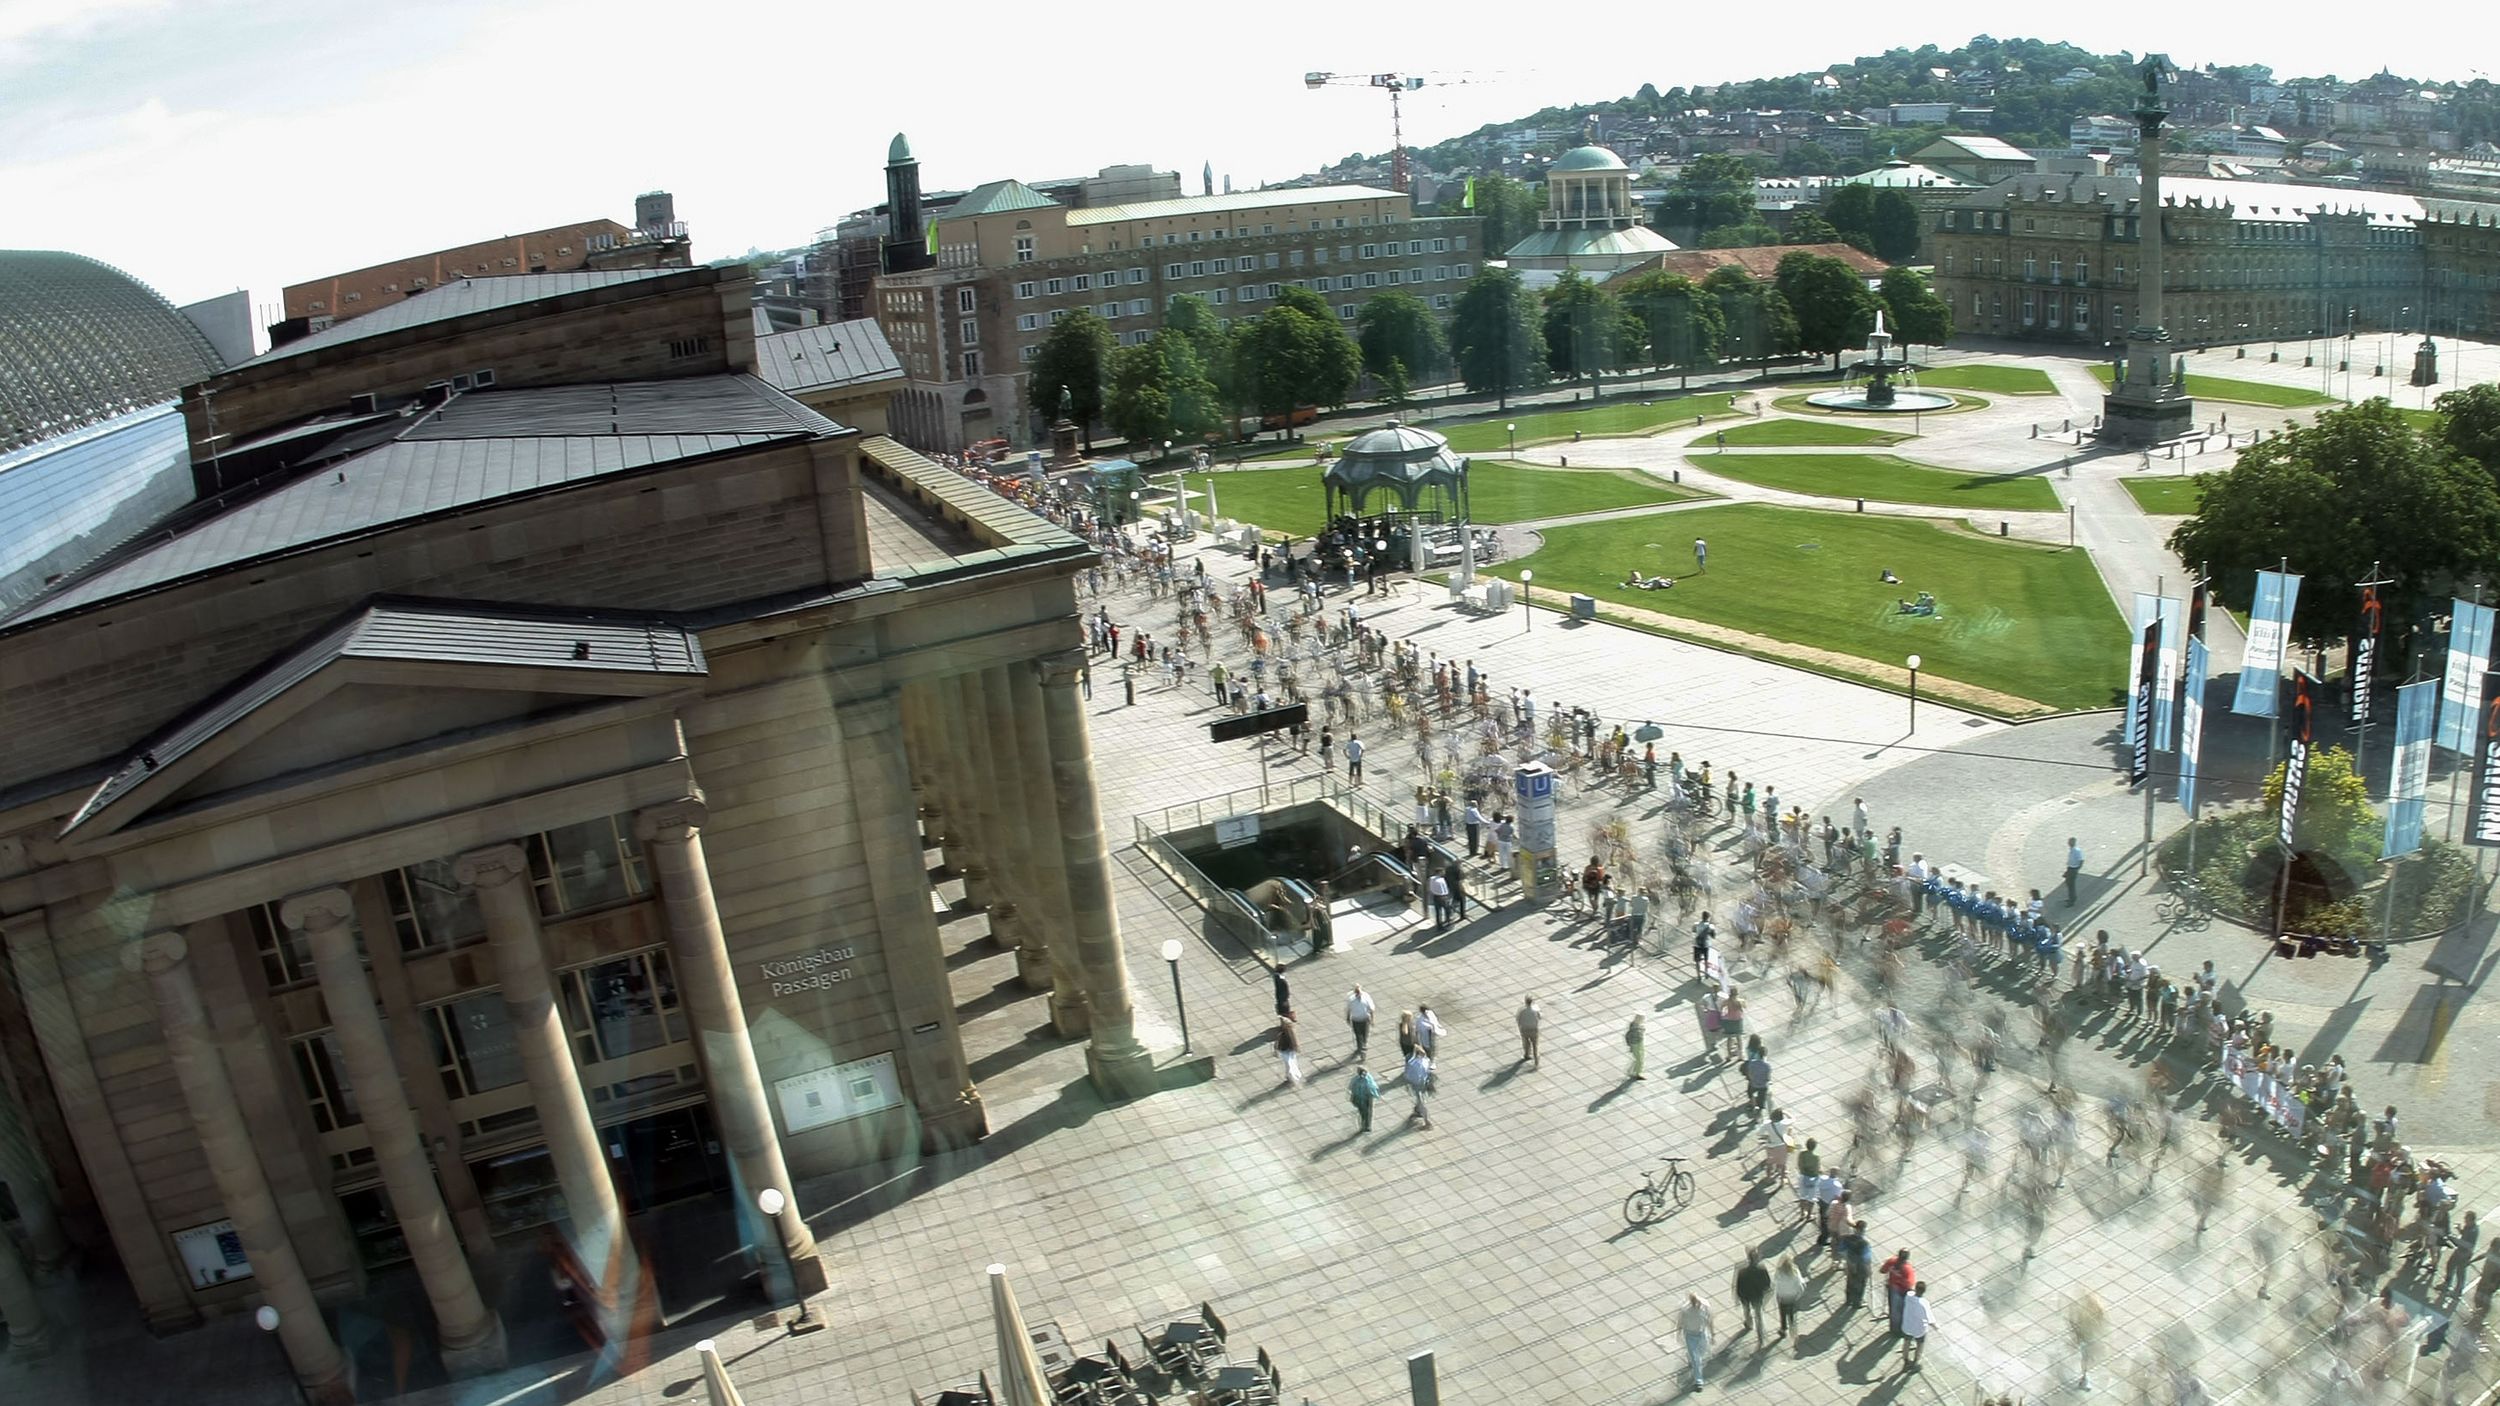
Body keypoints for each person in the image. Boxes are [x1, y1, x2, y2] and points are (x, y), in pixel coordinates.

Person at [1734, 1249, 1772, 1343]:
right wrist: (1763, 1291)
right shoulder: (1762, 1269)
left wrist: (1739, 1296)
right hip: (1757, 1296)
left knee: (1746, 1310)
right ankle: (1760, 1333)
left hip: (1745, 1296)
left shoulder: (1742, 1271)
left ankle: (1749, 1324)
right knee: (1758, 1314)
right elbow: (1767, 1284)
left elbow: (1739, 1285)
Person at [1679, 1293, 1714, 1392]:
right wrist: (1678, 1332)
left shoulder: (1705, 1305)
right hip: (1690, 1335)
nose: (1696, 1304)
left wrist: (1712, 1333)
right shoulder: (1685, 1309)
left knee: (1702, 1352)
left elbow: (1710, 1320)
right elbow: (1680, 1321)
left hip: (1701, 1333)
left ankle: (1690, 1356)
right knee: (1696, 1359)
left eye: (1697, 1302)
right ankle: (1698, 1381)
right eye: (1694, 1302)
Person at [1772, 1254, 1806, 1342]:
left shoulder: (1778, 1272)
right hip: (1793, 1297)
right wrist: (1799, 1294)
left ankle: (1783, 1329)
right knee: (1792, 1314)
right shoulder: (1795, 1271)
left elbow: (1775, 1283)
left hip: (1782, 1297)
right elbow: (1800, 1283)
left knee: (1782, 1314)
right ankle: (1793, 1330)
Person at [1884, 1249, 1917, 1334]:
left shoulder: (1891, 1261)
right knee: (1900, 1311)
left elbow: (1883, 1270)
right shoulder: (1907, 1269)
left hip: (1892, 1288)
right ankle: (1898, 1331)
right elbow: (1910, 1284)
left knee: (1893, 1309)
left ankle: (1893, 1329)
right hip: (1902, 1291)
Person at [1898, 1282, 1930, 1370]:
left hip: (1908, 1325)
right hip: (1919, 1328)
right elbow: (1928, 1317)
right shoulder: (1924, 1303)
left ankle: (1905, 1360)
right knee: (1920, 1344)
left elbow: (1910, 1292)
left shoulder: (1908, 1297)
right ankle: (1916, 1362)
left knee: (1906, 1342)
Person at [1404, 1050, 1434, 1127]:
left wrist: (1408, 1083)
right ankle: (1417, 1110)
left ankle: (1427, 1122)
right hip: (1424, 1082)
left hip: (1416, 1083)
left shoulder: (1412, 1063)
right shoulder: (1426, 1060)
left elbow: (1408, 1075)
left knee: (1420, 1101)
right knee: (1420, 1098)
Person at [1348, 1065, 1381, 1132]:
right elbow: (1352, 1088)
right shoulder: (1356, 1080)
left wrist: (1374, 1094)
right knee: (1363, 1113)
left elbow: (1373, 1086)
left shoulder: (1368, 1078)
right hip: (1360, 1098)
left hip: (1368, 1097)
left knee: (1368, 1112)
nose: (1363, 1074)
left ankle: (1367, 1126)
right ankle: (1364, 1125)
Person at [1743, 1047, 1773, 1118]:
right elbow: (1768, 1077)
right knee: (1762, 1099)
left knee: (1750, 1092)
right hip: (1763, 1085)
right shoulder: (1767, 1066)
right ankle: (1759, 1112)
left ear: (1758, 1054)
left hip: (1754, 1083)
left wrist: (1752, 1079)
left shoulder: (1752, 1063)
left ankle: (1752, 1103)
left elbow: (1750, 1074)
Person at [1346, 986, 1375, 1060]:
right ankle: (1362, 1049)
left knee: (1364, 1035)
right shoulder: (1351, 999)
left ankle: (1362, 1048)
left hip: (1365, 1019)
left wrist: (1372, 1019)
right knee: (1358, 1036)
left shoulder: (1366, 997)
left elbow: (1371, 1009)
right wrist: (1348, 1017)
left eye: (1359, 992)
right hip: (1355, 1020)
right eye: (1357, 992)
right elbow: (1348, 1009)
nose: (1358, 994)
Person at [1276, 1016, 1302, 1086]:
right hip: (1288, 1048)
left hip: (1287, 1048)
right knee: (1291, 1062)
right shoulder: (1286, 1030)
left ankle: (1293, 1077)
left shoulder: (1288, 1030)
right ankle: (1291, 1076)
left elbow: (1293, 1039)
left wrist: (1296, 1046)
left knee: (1289, 1063)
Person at [1517, 996, 1541, 1065]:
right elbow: (1539, 1017)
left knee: (1526, 1043)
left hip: (1525, 1029)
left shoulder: (1522, 1010)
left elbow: (1518, 1019)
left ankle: (1527, 1054)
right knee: (1535, 1044)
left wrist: (1520, 1027)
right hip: (1534, 1029)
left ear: (1525, 1002)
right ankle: (1536, 1059)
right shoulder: (1535, 1010)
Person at [1626, 1013, 1648, 1080]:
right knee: (1639, 1059)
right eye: (1642, 1019)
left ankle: (1633, 1070)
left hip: (1640, 1042)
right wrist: (1631, 1046)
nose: (1643, 1020)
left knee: (1641, 1057)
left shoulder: (1638, 1025)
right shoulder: (1634, 1028)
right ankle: (1637, 1073)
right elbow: (1628, 1036)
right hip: (1635, 1044)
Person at [2065, 837, 2085, 904]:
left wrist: (2077, 868)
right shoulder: (2071, 850)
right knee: (2068, 883)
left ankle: (2072, 900)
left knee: (2071, 885)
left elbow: (2081, 860)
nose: (2069, 843)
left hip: (2073, 869)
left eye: (2070, 842)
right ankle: (2071, 898)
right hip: (2070, 868)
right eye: (2069, 842)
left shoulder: (2076, 851)